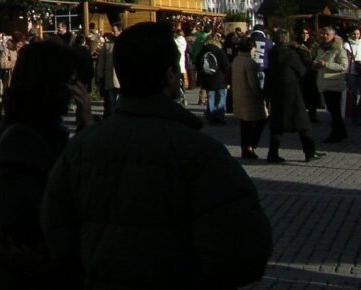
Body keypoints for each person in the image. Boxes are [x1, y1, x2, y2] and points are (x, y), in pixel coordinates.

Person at [40, 22, 272, 288]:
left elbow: (53, 227)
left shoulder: (82, 148)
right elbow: (245, 248)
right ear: (171, 75)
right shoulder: (201, 153)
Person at [0, 39, 89, 290]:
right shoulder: (23, 136)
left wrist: (85, 124)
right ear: (51, 84)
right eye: (70, 82)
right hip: (30, 271)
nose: (75, 91)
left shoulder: (40, 127)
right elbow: (22, 215)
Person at [265, 27, 323, 163]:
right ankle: (309, 152)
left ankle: (272, 153)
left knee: (277, 126)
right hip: (292, 92)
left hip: (277, 91)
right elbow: (301, 71)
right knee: (303, 123)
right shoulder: (291, 54)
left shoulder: (272, 53)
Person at [231, 36, 266, 159]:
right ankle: (250, 147)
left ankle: (245, 148)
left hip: (239, 96)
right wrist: (261, 95)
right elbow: (253, 83)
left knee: (244, 125)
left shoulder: (237, 59)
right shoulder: (250, 62)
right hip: (249, 98)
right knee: (260, 121)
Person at [313, 25, 348, 143]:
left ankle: (336, 134)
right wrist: (316, 64)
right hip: (324, 83)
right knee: (333, 111)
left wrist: (326, 64)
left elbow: (343, 66)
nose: (324, 36)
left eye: (327, 34)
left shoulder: (339, 49)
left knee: (335, 112)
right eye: (322, 33)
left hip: (334, 84)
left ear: (333, 36)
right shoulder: (321, 48)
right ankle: (342, 132)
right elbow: (318, 61)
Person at [199, 30, 229, 124]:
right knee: (221, 96)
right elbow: (226, 64)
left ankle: (211, 116)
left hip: (208, 77)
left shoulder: (203, 50)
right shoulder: (219, 51)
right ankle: (219, 116)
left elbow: (197, 63)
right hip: (220, 77)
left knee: (211, 96)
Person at [295, 25, 321, 122]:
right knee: (300, 96)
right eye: (303, 33)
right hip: (300, 74)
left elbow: (318, 57)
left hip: (312, 73)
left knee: (312, 96)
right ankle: (300, 117)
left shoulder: (314, 45)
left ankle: (312, 116)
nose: (305, 35)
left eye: (306, 33)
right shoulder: (296, 45)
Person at [95, 27, 120, 118]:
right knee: (110, 106)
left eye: (114, 31)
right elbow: (101, 62)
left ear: (120, 31)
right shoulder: (107, 45)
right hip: (111, 80)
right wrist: (100, 76)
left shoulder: (127, 43)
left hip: (123, 81)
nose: (112, 32)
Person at [344, 26, 361, 124]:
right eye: (354, 33)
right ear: (350, 34)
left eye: (358, 33)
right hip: (351, 72)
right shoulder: (347, 44)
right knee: (353, 94)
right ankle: (355, 116)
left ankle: (358, 113)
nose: (356, 35)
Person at [173, 24, 188, 90]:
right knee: (181, 74)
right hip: (181, 59)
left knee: (178, 75)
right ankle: (182, 87)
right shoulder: (183, 40)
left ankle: (180, 87)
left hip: (178, 59)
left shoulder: (178, 40)